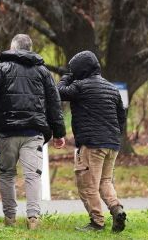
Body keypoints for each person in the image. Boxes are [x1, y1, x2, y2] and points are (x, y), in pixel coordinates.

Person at [0, 34, 66, 230]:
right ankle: (33, 217)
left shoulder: (1, 69)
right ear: (30, 48)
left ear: (13, 48)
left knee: (7, 174)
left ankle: (10, 218)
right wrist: (59, 132)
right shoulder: (43, 71)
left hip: (6, 132)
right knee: (33, 175)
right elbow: (54, 103)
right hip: (34, 132)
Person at [57, 50, 126, 232]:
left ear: (80, 70)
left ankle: (97, 223)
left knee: (87, 185)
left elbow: (59, 92)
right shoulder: (112, 89)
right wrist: (114, 135)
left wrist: (67, 77)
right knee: (105, 181)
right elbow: (121, 117)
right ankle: (116, 208)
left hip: (92, 144)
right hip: (112, 144)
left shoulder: (80, 86)